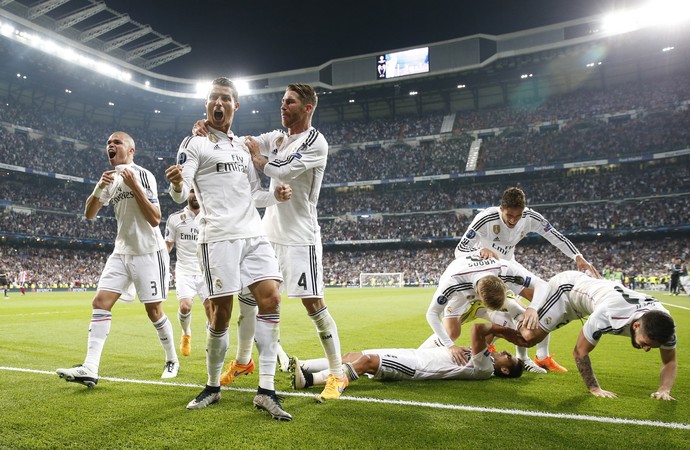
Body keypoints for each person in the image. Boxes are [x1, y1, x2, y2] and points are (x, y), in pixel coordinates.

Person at [194, 83, 347, 400]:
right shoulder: (277, 138)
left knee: (313, 305)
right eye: (282, 101)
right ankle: (243, 362)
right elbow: (240, 143)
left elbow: (283, 168)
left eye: (289, 102)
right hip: (266, 232)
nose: (283, 106)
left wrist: (258, 159)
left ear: (307, 108)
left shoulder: (316, 142)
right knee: (248, 301)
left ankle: (337, 373)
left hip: (300, 237)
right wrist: (208, 129)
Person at [166, 77, 293, 420]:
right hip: (218, 237)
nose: (218, 103)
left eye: (225, 98)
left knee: (272, 299)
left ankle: (266, 390)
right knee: (220, 315)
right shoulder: (196, 143)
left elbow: (254, 194)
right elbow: (181, 190)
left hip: (253, 234)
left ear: (236, 106)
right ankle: (212, 386)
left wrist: (275, 196)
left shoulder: (242, 148)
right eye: (213, 99)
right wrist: (178, 184)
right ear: (206, 105)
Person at [57, 131, 178, 387]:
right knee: (100, 301)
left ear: (130, 150)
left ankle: (171, 358)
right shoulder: (109, 179)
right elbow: (90, 213)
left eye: (117, 142)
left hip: (148, 251)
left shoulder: (143, 174)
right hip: (122, 251)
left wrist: (133, 184)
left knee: (154, 311)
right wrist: (100, 187)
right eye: (108, 143)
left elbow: (155, 218)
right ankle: (90, 367)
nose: (110, 146)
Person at [452, 186, 600, 372]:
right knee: (507, 314)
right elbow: (460, 250)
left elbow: (556, 236)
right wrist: (479, 251)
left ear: (523, 210)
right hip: (485, 272)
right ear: (501, 208)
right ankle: (518, 356)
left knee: (543, 301)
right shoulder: (486, 218)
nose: (513, 220)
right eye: (509, 215)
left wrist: (578, 257)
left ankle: (541, 358)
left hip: (510, 268)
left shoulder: (531, 218)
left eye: (518, 215)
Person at [519, 270, 678, 400]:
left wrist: (664, 389)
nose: (646, 349)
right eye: (645, 343)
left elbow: (670, 360)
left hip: (586, 301)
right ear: (636, 325)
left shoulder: (665, 325)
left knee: (540, 327)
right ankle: (512, 299)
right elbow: (580, 351)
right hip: (566, 290)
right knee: (528, 338)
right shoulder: (609, 313)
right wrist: (594, 388)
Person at [291, 322, 523, 391]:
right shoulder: (487, 358)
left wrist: (507, 332)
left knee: (366, 362)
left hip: (417, 367)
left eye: (509, 357)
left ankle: (310, 380)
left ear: (504, 370)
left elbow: (479, 330)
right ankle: (304, 366)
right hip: (414, 355)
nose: (505, 352)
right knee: (353, 355)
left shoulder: (484, 369)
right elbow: (489, 341)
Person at [422, 250, 549, 369]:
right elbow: (432, 314)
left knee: (514, 315)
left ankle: (523, 358)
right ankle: (419, 355)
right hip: (460, 297)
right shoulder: (452, 282)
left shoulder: (505, 268)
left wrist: (533, 308)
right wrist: (450, 346)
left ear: (501, 282)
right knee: (452, 333)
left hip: (480, 278)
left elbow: (542, 284)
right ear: (478, 294)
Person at [164, 189, 210, 357]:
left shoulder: (210, 216)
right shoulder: (175, 219)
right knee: (185, 306)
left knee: (211, 310)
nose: (195, 195)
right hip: (184, 270)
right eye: (191, 191)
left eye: (197, 191)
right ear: (186, 194)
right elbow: (168, 245)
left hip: (206, 271)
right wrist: (159, 257)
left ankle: (211, 342)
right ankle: (186, 333)